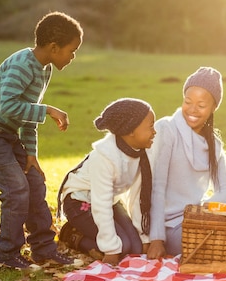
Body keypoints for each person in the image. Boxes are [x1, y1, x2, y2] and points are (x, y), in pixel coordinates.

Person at [0, 11, 83, 269]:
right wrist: (49, 110)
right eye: (71, 51)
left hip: (5, 133)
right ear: (54, 47)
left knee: (35, 182)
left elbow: (27, 114)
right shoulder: (21, 64)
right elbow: (9, 107)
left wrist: (31, 153)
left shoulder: (44, 69)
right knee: (17, 190)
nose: (72, 57)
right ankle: (7, 254)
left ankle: (44, 249)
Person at [146, 67, 226, 259]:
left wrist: (200, 211)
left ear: (213, 108)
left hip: (195, 221)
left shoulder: (214, 144)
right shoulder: (167, 129)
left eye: (201, 105)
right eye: (188, 102)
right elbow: (157, 186)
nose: (192, 110)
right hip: (167, 224)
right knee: (213, 248)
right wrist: (156, 239)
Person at [58, 98, 156, 266]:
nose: (154, 132)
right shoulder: (104, 157)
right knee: (122, 246)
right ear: (131, 131)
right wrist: (111, 249)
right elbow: (100, 204)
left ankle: (103, 238)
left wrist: (144, 236)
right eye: (150, 126)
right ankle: (73, 235)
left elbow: (138, 198)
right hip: (80, 202)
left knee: (136, 246)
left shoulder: (141, 155)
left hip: (109, 199)